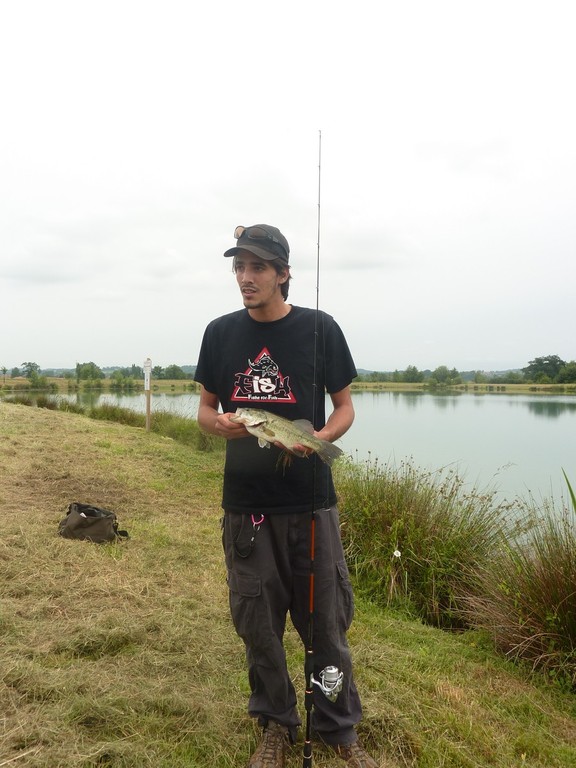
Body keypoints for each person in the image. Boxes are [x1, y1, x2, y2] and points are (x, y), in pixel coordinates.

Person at [194, 224, 379, 768]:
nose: (245, 278)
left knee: (326, 625)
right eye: (238, 268)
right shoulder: (220, 333)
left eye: (257, 268)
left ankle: (338, 730)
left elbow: (343, 407)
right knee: (259, 624)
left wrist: (318, 440)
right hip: (247, 507)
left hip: (313, 504)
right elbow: (205, 411)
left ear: (283, 273)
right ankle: (275, 726)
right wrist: (222, 426)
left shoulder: (321, 329)